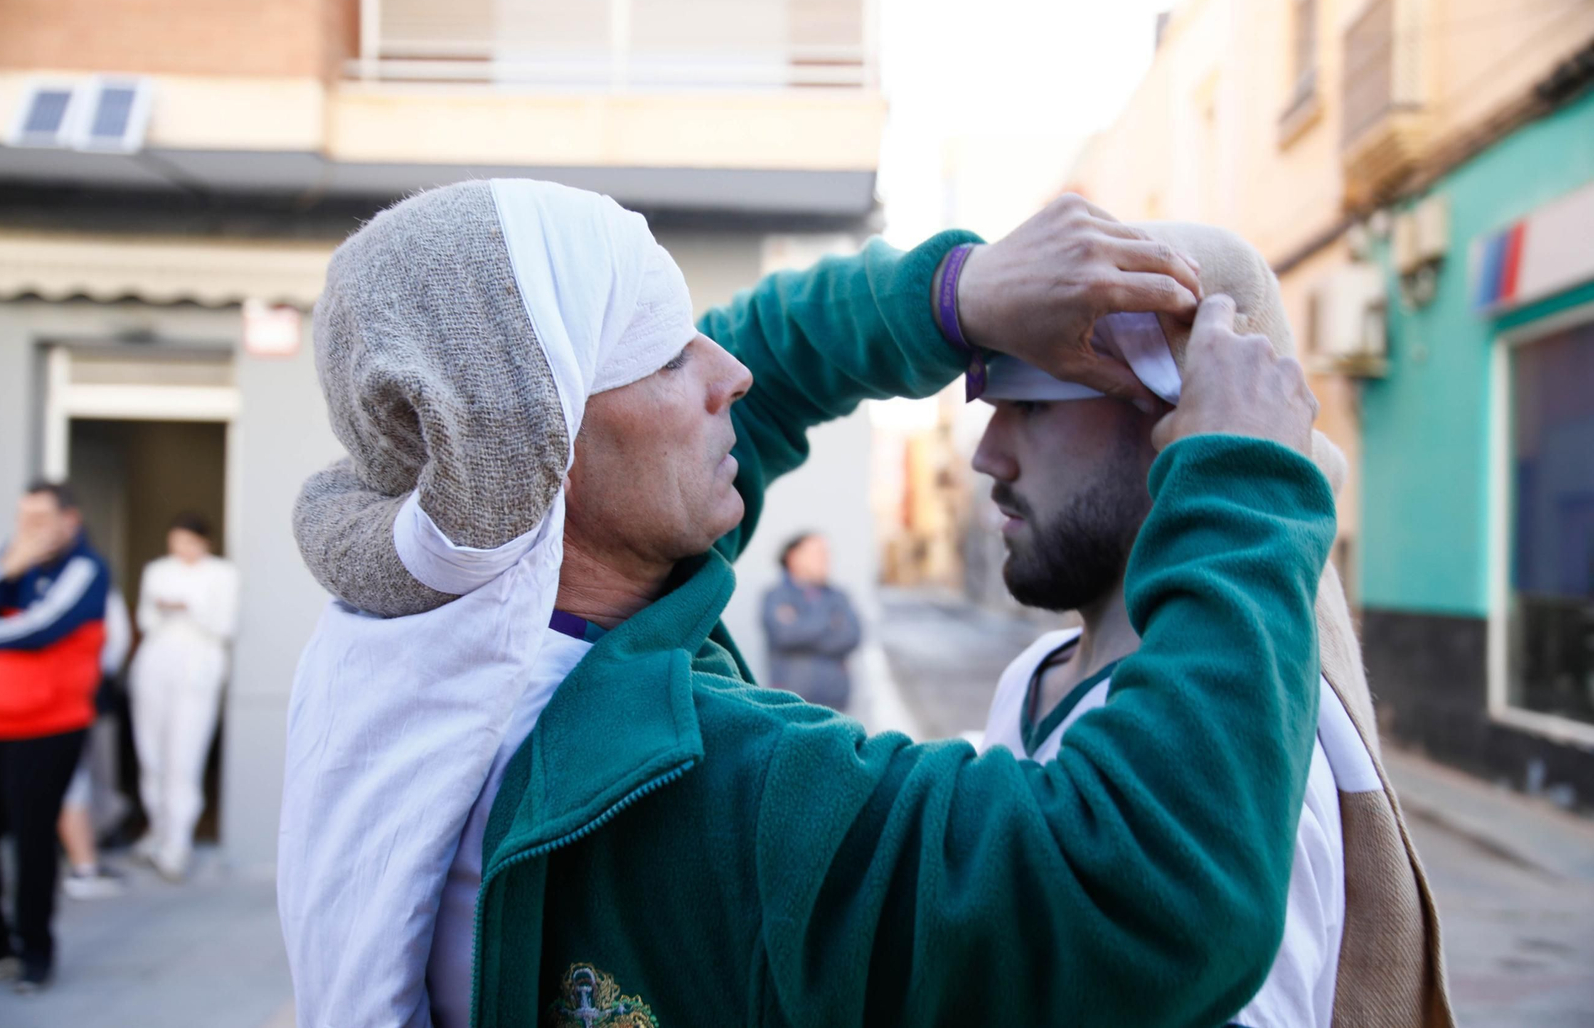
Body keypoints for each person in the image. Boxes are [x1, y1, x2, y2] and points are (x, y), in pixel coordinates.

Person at [278, 180, 1332, 1027]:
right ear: (533, 446)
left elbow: (762, 368)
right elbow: (1141, 899)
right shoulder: (699, 789)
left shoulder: (430, 635)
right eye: (659, 351)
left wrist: (954, 295)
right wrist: (1238, 481)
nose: (730, 370)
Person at [973, 222, 1453, 1026]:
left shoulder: (1250, 741)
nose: (989, 454)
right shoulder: (1035, 675)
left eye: (1032, 402)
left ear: (1183, 410)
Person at [0, 481, 112, 992]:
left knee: (33, 840)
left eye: (40, 518)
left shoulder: (87, 568)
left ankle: (35, 952)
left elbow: (42, 629)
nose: (29, 529)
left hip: (48, 728)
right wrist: (7, 570)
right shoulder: (11, 558)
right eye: (23, 518)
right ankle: (0, 946)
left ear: (70, 520)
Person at [130, 511, 239, 881]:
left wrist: (187, 608)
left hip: (197, 671)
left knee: (185, 755)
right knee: (151, 752)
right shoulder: (158, 570)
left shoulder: (223, 574)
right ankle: (157, 830)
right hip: (155, 665)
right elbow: (146, 619)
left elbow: (224, 625)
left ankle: (178, 841)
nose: (181, 549)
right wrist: (165, 609)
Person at [58, 586, 132, 900]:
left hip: (90, 694)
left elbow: (117, 642)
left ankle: (92, 849)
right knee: (69, 779)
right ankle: (82, 862)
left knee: (95, 772)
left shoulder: (99, 589)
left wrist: (94, 676)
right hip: (48, 703)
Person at [761, 532, 861, 710]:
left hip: (835, 705)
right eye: (818, 553)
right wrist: (830, 623)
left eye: (827, 553)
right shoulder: (775, 596)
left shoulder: (839, 596)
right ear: (794, 558)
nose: (826, 559)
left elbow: (852, 637)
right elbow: (785, 636)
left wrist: (800, 624)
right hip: (791, 707)